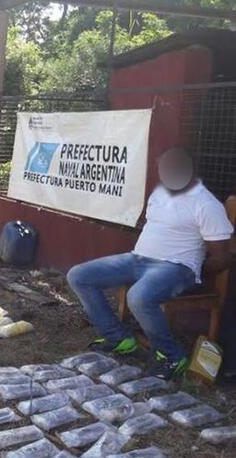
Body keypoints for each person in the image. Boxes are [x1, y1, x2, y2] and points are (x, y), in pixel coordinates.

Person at [67, 148, 233, 380]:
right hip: (137, 259)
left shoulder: (206, 205)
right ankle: (119, 338)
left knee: (139, 297)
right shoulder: (160, 194)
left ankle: (171, 356)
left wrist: (194, 270)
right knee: (79, 275)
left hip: (175, 267)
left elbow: (224, 256)